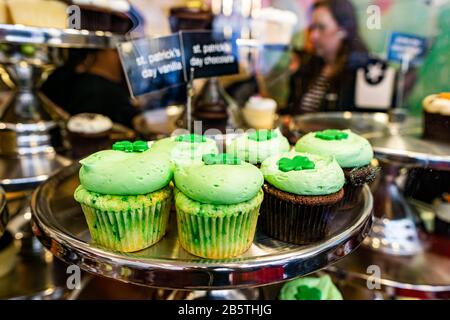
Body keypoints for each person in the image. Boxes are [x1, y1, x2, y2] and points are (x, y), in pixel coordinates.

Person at [284, 0, 374, 114]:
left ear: (343, 30)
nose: (313, 36)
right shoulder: (310, 64)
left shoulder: (362, 71)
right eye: (312, 28)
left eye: (321, 27)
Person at [41, 48, 141, 129]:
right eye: (116, 51)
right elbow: (139, 123)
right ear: (102, 53)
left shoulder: (61, 76)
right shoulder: (103, 91)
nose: (122, 57)